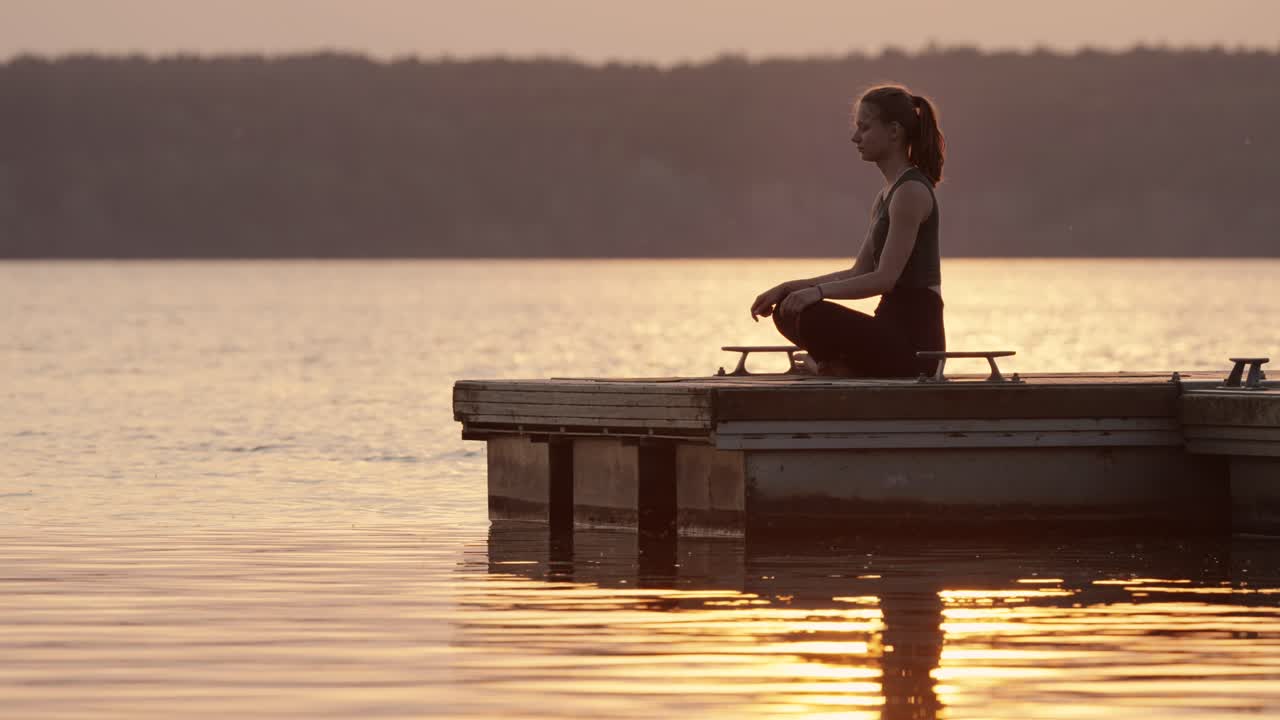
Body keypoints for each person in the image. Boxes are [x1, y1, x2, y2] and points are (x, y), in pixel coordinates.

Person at [750, 84, 946, 378]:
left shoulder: (911, 192)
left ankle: (835, 367)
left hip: (915, 349)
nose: (856, 137)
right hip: (887, 334)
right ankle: (839, 366)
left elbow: (884, 279)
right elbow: (859, 272)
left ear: (894, 131)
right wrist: (791, 288)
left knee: (811, 313)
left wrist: (815, 293)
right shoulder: (886, 195)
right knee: (786, 309)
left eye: (865, 128)